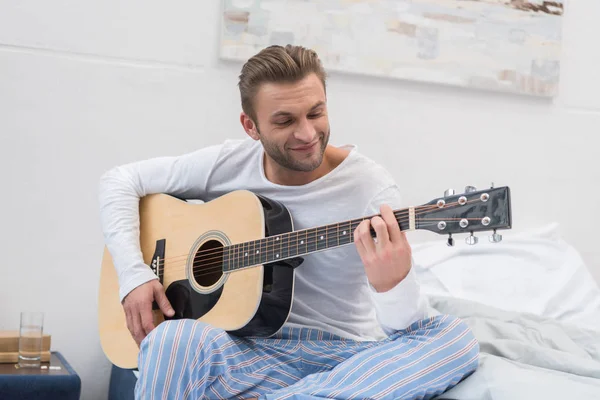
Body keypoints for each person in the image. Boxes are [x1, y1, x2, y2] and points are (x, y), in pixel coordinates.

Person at [98, 44, 479, 399]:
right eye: (285, 121)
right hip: (246, 354)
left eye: (316, 112)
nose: (307, 133)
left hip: (341, 358)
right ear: (251, 127)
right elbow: (119, 180)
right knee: (169, 341)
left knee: (454, 339)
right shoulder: (228, 164)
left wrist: (392, 285)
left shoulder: (370, 188)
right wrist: (134, 276)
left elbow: (405, 332)